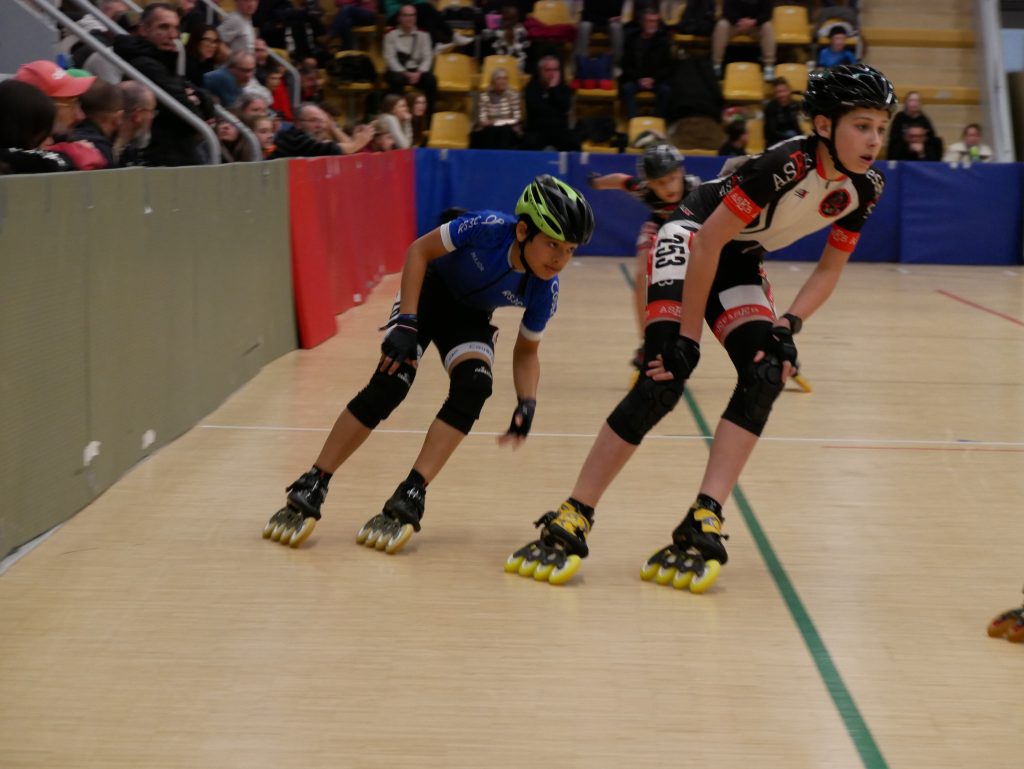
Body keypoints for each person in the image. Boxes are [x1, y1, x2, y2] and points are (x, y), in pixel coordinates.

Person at [505, 63, 896, 588]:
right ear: (824, 125)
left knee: (768, 369)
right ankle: (575, 511)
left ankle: (704, 513)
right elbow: (707, 241)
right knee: (663, 376)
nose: (873, 140)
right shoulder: (785, 164)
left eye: (880, 128)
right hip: (691, 236)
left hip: (738, 257)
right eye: (862, 126)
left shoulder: (866, 188)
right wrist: (687, 335)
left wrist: (787, 325)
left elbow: (828, 270)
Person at [262, 176, 595, 551]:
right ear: (522, 230)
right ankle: (316, 479)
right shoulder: (486, 227)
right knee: (392, 381)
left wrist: (527, 401)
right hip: (426, 294)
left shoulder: (545, 290)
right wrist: (407, 322)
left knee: (474, 387)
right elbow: (419, 252)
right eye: (552, 244)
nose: (560, 259)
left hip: (469, 317)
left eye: (569, 250)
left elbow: (527, 352)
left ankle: (412, 491)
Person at [586, 143, 701, 375]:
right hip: (658, 227)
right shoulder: (644, 190)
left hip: (690, 232)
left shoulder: (696, 188)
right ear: (649, 183)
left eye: (671, 178)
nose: (667, 187)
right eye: (659, 183)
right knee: (641, 277)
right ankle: (647, 342)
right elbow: (621, 180)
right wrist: (597, 183)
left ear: (681, 171)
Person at [619, 6, 673, 120]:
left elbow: (668, 67)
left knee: (666, 90)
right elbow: (625, 64)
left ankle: (658, 121)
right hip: (636, 79)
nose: (653, 24)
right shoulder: (632, 40)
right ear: (642, 22)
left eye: (655, 21)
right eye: (650, 21)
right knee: (626, 88)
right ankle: (634, 121)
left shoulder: (663, 41)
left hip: (656, 80)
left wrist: (653, 79)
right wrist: (638, 79)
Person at [470, 67, 522, 149]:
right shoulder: (484, 97)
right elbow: (482, 120)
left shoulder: (513, 96)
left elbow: (517, 118)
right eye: (499, 79)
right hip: (489, 129)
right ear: (493, 81)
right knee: (491, 131)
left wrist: (496, 122)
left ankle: (503, 156)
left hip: (508, 129)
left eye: (504, 78)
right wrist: (497, 122)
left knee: (506, 131)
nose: (502, 81)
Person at [886, 90, 938, 160]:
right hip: (902, 154)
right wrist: (908, 145)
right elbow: (893, 140)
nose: (914, 103)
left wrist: (922, 148)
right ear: (906, 102)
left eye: (917, 101)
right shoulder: (899, 118)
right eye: (911, 100)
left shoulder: (924, 119)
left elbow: (931, 139)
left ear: (920, 103)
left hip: (920, 156)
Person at [763, 77, 802, 147]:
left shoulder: (795, 105)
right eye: (778, 92)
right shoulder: (770, 107)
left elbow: (799, 127)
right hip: (776, 141)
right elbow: (770, 132)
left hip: (794, 140)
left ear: (789, 90)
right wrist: (789, 138)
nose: (781, 95)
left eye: (784, 91)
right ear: (774, 94)